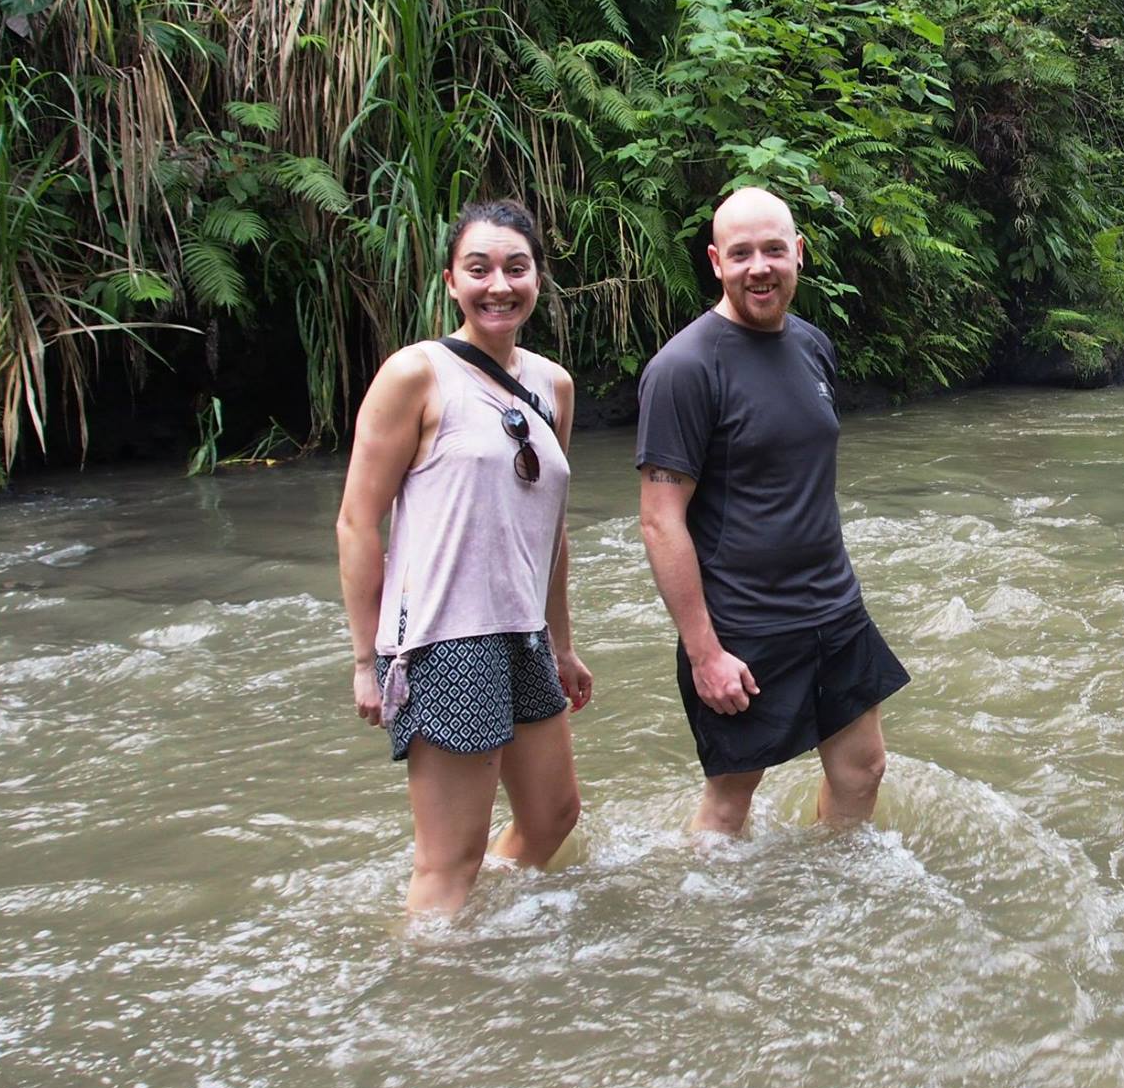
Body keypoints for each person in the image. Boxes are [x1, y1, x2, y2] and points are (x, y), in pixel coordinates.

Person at [335, 198, 594, 914]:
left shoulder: (553, 386)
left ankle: (479, 929)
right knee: (449, 859)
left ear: (539, 278)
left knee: (552, 819)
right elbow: (358, 522)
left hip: (522, 635)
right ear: (452, 281)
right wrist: (366, 660)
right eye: (478, 269)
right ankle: (429, 994)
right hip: (444, 641)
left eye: (516, 267)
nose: (498, 285)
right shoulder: (415, 375)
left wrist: (563, 645)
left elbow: (552, 530)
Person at [636, 185, 909, 835]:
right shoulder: (684, 368)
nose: (759, 267)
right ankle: (719, 923)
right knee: (733, 798)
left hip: (832, 607)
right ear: (715, 262)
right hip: (742, 622)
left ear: (800, 255)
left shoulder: (814, 347)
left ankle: (833, 888)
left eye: (774, 250)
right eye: (741, 254)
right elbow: (659, 519)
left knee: (862, 768)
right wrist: (705, 652)